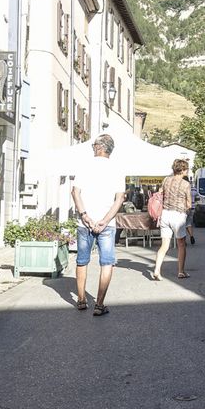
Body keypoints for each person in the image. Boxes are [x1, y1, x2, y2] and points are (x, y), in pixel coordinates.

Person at [71, 134, 126, 316]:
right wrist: (105, 220)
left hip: (84, 222)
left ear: (99, 147)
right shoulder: (117, 169)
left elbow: (75, 192)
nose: (92, 147)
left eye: (93, 144)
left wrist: (85, 215)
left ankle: (80, 300)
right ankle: (99, 304)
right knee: (107, 263)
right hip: (107, 224)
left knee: (82, 261)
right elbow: (119, 199)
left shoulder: (84, 166)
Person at [152, 159, 193, 280]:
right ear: (183, 170)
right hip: (178, 216)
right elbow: (189, 204)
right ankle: (181, 271)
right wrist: (187, 210)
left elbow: (159, 195)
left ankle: (157, 270)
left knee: (164, 245)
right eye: (187, 169)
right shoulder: (186, 184)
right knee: (181, 245)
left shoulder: (166, 180)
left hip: (165, 214)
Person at [184, 175, 196, 245]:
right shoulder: (193, 189)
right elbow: (197, 198)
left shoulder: (182, 188)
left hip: (184, 208)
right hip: (192, 208)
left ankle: (184, 241)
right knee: (188, 224)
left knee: (182, 225)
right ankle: (191, 236)